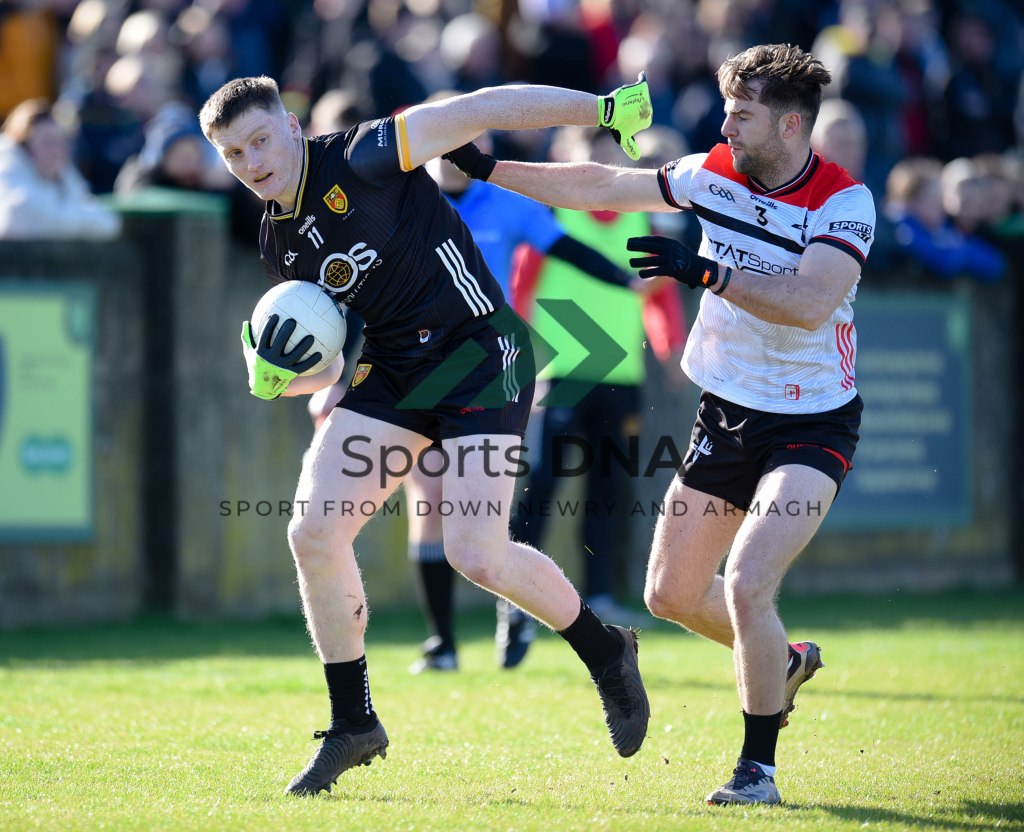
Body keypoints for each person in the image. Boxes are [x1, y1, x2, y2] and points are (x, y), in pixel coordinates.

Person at [199, 73, 654, 796]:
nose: (251, 162)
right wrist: (284, 374)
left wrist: (596, 107)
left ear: (291, 125)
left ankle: (606, 652)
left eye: (259, 140)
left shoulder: (365, 154)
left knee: (476, 552)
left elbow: (479, 109)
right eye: (232, 153)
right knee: (313, 532)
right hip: (394, 369)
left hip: (480, 353)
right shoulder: (278, 243)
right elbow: (333, 356)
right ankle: (354, 724)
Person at [445, 43, 874, 805]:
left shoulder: (845, 201)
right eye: (727, 111)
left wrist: (709, 273)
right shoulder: (712, 172)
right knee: (670, 595)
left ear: (791, 123)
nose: (726, 126)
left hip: (813, 422)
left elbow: (812, 302)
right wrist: (487, 168)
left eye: (742, 115)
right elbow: (600, 182)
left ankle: (758, 771)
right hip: (727, 413)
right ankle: (784, 663)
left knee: (748, 582)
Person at [0, 98, 121, 241]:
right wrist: (80, 219)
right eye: (47, 141)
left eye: (60, 141)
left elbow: (108, 223)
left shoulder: (64, 174)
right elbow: (19, 212)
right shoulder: (8, 167)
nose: (56, 151)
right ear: (24, 145)